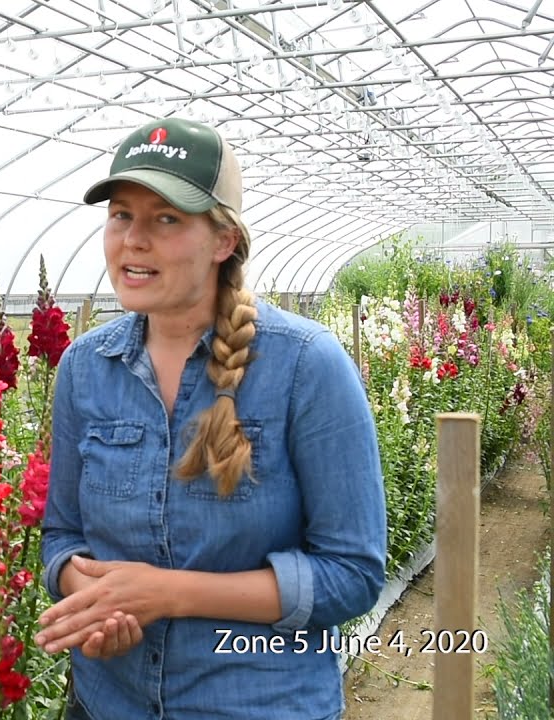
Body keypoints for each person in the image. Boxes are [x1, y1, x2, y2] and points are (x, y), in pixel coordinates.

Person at [34, 117, 386, 719]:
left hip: (257, 703)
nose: (133, 240)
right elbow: (62, 536)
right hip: (106, 702)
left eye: (166, 218)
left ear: (224, 240)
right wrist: (93, 598)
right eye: (121, 214)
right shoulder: (86, 367)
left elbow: (350, 572)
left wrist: (166, 595)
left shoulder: (305, 365)